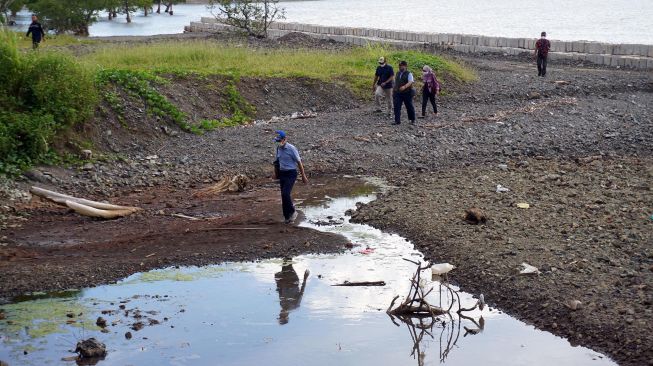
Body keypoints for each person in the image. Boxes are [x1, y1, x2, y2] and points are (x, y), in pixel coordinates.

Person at [274, 130, 308, 224]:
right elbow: (277, 162)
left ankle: (293, 212)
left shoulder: (291, 148)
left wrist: (303, 176)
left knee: (286, 193)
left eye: (280, 141)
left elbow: (299, 162)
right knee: (283, 196)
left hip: (291, 173)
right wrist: (276, 174)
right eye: (277, 141)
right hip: (282, 173)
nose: (279, 143)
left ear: (285, 139)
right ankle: (287, 217)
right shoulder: (278, 148)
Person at [275, 260, 309, 325]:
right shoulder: (295, 305)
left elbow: (280, 290)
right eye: (282, 316)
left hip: (284, 280)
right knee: (287, 263)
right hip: (293, 280)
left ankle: (288, 252)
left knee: (285, 263)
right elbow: (302, 292)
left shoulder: (281, 304)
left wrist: (277, 280)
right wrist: (305, 278)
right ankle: (289, 252)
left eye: (280, 316)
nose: (280, 314)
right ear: (287, 316)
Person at [392, 60, 416, 125]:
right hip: (398, 92)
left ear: (405, 66)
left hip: (407, 92)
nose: (400, 67)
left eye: (401, 66)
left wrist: (404, 87)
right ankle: (397, 121)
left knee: (409, 106)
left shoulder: (409, 73)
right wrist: (394, 90)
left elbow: (410, 82)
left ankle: (412, 119)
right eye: (399, 66)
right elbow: (396, 82)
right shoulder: (397, 73)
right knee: (396, 106)